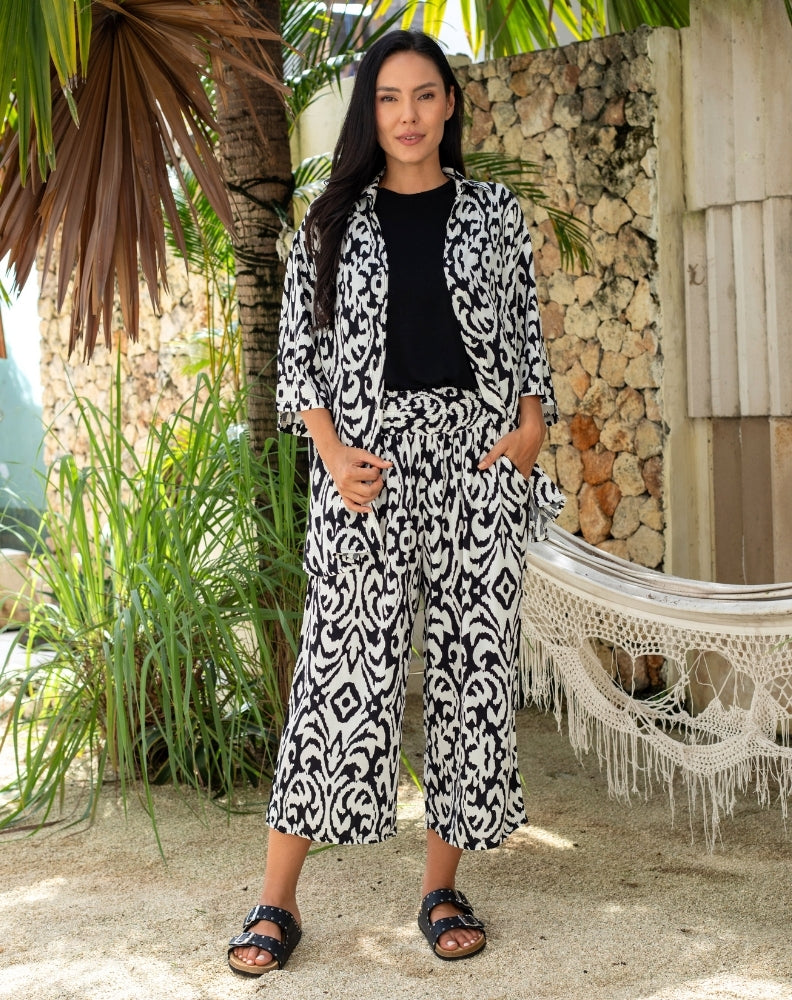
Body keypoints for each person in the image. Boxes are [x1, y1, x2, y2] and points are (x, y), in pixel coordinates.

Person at [227, 28, 563, 975]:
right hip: (365, 475)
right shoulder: (330, 223)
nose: (407, 115)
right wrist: (332, 458)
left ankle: (439, 888)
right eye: (388, 99)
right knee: (339, 675)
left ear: (450, 105)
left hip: (476, 465)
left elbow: (524, 340)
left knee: (468, 675)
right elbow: (301, 361)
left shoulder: (495, 214)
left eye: (424, 96)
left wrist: (530, 428)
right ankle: (274, 902)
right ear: (368, 113)